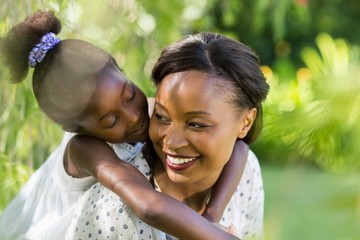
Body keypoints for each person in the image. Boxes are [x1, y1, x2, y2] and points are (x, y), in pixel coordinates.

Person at [0, 11, 247, 240]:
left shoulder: (152, 112)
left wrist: (211, 217)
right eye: (112, 120)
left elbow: (240, 147)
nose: (133, 116)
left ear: (123, 73)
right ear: (76, 128)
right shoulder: (82, 149)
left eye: (129, 95)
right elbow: (147, 204)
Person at [66, 32, 270, 240]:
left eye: (196, 124)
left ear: (246, 122)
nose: (171, 142)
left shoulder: (247, 172)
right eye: (162, 117)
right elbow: (148, 206)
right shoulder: (113, 214)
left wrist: (210, 218)